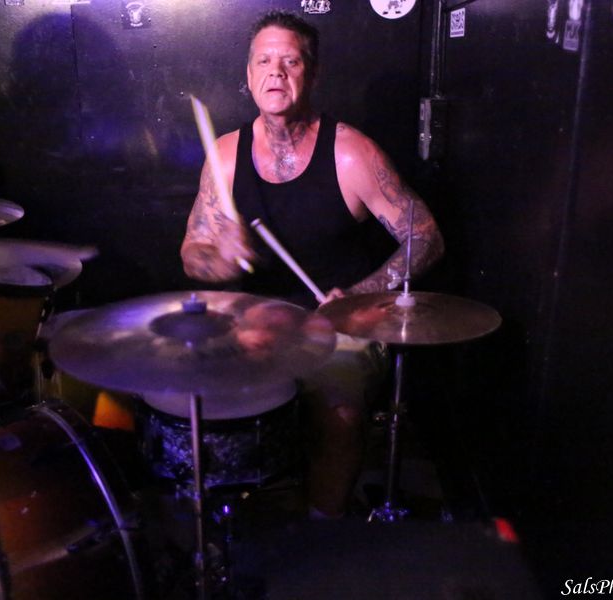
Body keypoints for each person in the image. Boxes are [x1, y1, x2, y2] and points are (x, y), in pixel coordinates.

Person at [180, 10, 444, 517]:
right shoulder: (226, 157)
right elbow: (192, 251)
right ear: (248, 75)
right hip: (254, 323)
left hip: (340, 322)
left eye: (290, 61)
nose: (275, 72)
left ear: (313, 74)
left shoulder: (351, 154)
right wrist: (220, 261)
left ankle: (322, 529)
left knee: (337, 409)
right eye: (264, 61)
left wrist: (361, 294)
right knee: (198, 394)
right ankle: (233, 525)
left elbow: (426, 237)